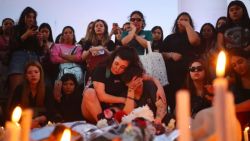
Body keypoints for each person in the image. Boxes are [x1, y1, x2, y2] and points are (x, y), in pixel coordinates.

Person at [81, 47, 166, 123]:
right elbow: (102, 96)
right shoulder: (101, 69)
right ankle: (103, 124)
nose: (117, 68)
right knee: (89, 92)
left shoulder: (128, 74)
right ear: (113, 59)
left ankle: (111, 125)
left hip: (112, 109)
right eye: (116, 63)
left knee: (123, 111)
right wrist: (124, 99)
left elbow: (150, 78)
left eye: (122, 67)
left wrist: (160, 88)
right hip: (92, 107)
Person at [162, 12, 201, 113]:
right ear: (177, 22)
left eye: (186, 19)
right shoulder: (170, 38)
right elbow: (161, 54)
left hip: (188, 75)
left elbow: (194, 41)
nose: (183, 21)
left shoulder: (194, 34)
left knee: (188, 102)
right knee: (173, 103)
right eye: (181, 19)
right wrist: (170, 54)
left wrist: (187, 25)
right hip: (171, 77)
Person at [7, 61, 54, 128]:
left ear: (40, 74)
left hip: (42, 124)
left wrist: (41, 119)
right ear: (26, 76)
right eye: (29, 73)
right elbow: (12, 109)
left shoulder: (47, 88)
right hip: (23, 123)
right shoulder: (20, 89)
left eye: (36, 72)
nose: (33, 75)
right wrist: (26, 121)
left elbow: (51, 110)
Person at [8, 7, 42, 97]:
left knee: (31, 90)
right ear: (24, 17)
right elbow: (12, 45)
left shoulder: (35, 32)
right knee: (15, 89)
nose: (31, 19)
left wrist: (40, 42)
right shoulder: (15, 28)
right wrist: (26, 35)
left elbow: (39, 51)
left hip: (33, 57)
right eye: (29, 16)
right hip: (19, 56)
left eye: (33, 17)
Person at [230, 49, 250, 129]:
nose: (238, 67)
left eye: (240, 62)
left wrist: (232, 108)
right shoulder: (235, 84)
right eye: (234, 65)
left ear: (248, 59)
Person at [0, 18, 15, 95]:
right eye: (6, 24)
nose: (8, 25)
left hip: (13, 63)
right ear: (2, 27)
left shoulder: (17, 39)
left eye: (11, 24)